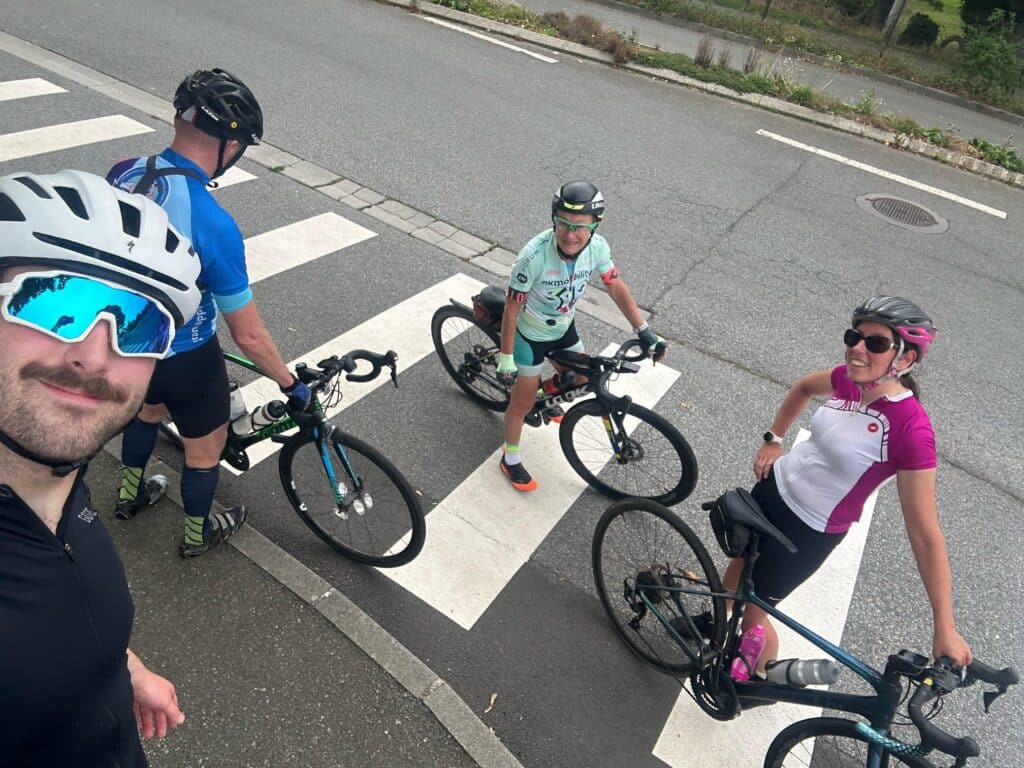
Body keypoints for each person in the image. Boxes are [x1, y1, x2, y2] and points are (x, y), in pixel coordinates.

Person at [0, 169, 198, 764]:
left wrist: (122, 668)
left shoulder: (62, 482)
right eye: (54, 300)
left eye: (138, 325)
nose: (94, 354)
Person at [106, 68, 311, 557]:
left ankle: (128, 494)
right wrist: (290, 384)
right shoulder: (213, 222)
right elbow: (250, 336)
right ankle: (199, 535)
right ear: (230, 146)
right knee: (204, 451)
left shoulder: (124, 171)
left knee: (147, 413)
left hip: (128, 343)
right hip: (188, 357)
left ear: (180, 118)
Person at [725, 296, 972, 672]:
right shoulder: (849, 381)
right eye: (855, 336)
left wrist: (945, 625)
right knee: (734, 578)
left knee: (755, 616)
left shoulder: (910, 429)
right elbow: (804, 387)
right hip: (772, 492)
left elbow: (925, 534)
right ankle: (714, 624)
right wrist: (773, 439)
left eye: (875, 343)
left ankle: (760, 682)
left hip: (806, 531)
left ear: (904, 360)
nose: (857, 348)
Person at [496, 181, 666, 492]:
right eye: (562, 223)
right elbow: (511, 311)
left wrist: (645, 331)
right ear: (553, 219)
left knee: (583, 378)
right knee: (520, 404)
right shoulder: (533, 257)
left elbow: (615, 286)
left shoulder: (598, 249)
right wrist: (506, 358)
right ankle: (510, 457)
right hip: (529, 335)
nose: (570, 234)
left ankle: (543, 399)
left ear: (595, 226)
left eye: (579, 227)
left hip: (563, 328)